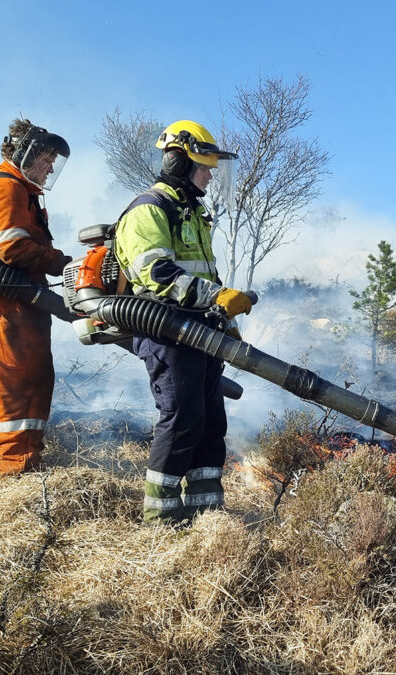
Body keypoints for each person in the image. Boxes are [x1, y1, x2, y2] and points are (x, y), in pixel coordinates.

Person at [113, 119, 252, 524]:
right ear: (178, 162)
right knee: (182, 420)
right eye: (205, 166)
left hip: (200, 333)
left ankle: (206, 514)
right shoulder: (150, 209)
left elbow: (205, 274)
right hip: (167, 332)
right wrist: (217, 297)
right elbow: (157, 273)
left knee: (210, 423)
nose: (210, 174)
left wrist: (223, 317)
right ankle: (161, 519)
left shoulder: (191, 213)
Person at [0, 119, 72, 478]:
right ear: (27, 154)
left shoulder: (13, 189)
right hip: (5, 306)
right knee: (24, 384)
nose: (50, 168)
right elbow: (13, 249)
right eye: (47, 160)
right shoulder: (8, 189)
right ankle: (18, 470)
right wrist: (64, 264)